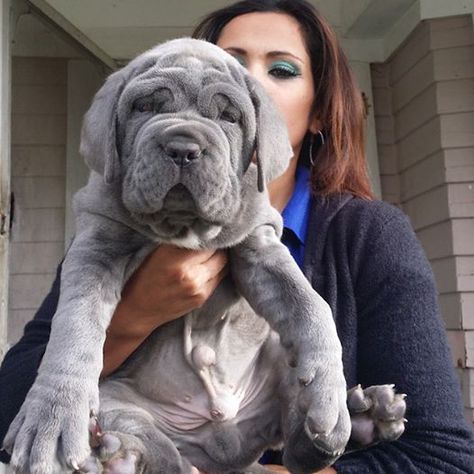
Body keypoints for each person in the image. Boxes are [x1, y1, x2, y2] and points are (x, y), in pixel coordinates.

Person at [1, 0, 473, 472]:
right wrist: (134, 316)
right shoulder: (118, 220)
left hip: (258, 422)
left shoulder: (369, 236)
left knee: (300, 390)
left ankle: (311, 432)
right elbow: (12, 407)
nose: (254, 85)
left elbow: (441, 459)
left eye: (282, 70)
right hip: (149, 424)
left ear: (319, 112)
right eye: (229, 61)